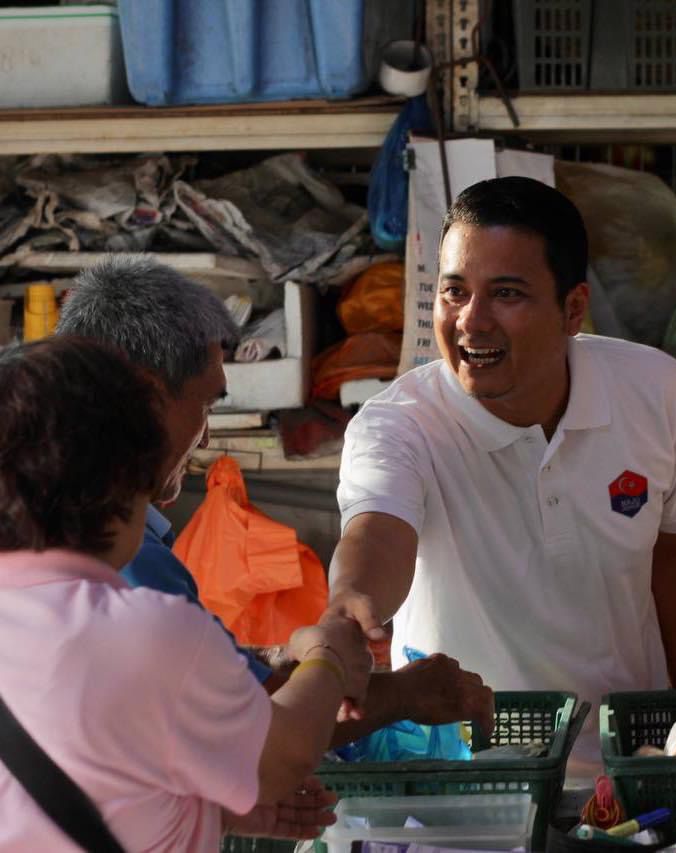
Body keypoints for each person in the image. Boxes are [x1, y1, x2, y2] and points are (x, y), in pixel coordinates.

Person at [328, 176, 676, 772]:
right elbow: (377, 533)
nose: (472, 321)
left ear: (573, 309)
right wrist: (352, 601)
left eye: (506, 294)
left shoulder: (652, 388)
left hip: (625, 762)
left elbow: (675, 552)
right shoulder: (397, 425)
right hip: (468, 777)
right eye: (454, 292)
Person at [55, 255, 494, 740]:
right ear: (148, 396)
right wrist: (407, 694)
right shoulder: (120, 552)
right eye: (205, 405)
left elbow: (214, 684)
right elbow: (256, 732)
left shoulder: (60, 518)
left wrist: (284, 657)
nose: (205, 437)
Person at [0, 336, 373, 849]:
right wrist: (327, 655)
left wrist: (205, 817)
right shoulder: (148, 628)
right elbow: (283, 757)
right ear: (125, 478)